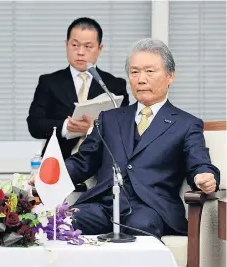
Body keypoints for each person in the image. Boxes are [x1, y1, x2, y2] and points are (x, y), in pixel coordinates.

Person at [62, 38, 219, 238]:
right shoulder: (109, 118)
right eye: (134, 72)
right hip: (103, 205)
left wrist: (204, 176)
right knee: (64, 223)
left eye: (150, 71)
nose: (141, 79)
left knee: (141, 227)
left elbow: (199, 162)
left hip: (150, 208)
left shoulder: (186, 124)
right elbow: (83, 162)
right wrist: (47, 177)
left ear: (170, 76)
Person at [27, 17, 130, 159]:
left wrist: (96, 126)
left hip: (101, 163)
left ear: (100, 48)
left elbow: (125, 127)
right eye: (75, 45)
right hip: (60, 163)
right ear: (66, 44)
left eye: (88, 46)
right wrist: (66, 126)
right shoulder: (49, 82)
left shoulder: (113, 85)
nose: (80, 52)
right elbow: (34, 125)